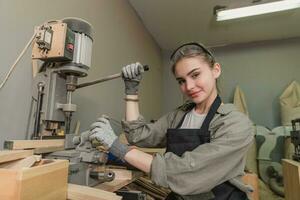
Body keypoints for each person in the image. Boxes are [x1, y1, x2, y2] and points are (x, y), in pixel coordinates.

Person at [89, 42, 254, 200]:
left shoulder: (236, 124)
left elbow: (189, 172)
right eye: (181, 81)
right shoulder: (179, 116)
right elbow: (138, 135)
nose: (188, 86)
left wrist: (120, 149)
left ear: (215, 70)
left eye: (195, 75)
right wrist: (131, 90)